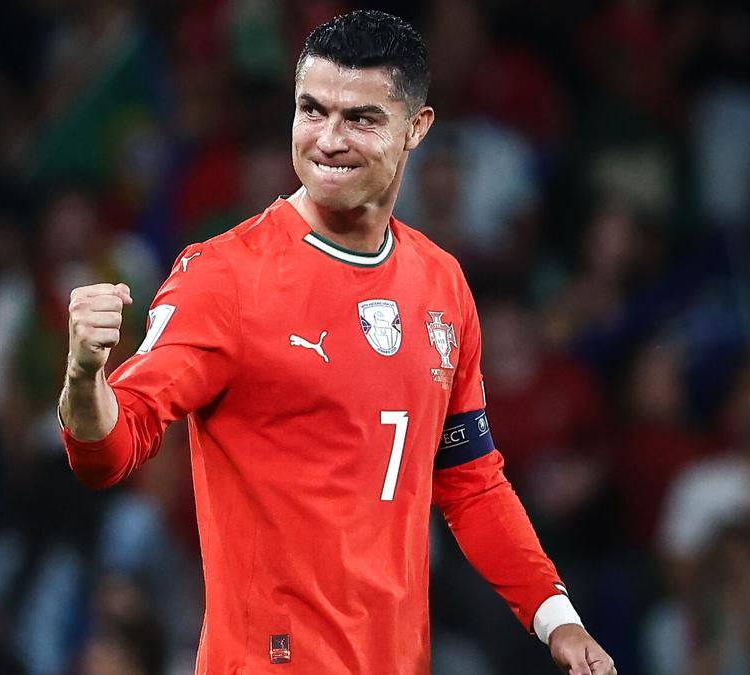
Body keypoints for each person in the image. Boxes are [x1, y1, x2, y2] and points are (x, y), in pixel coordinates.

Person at [58, 11, 616, 675]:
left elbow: (470, 481)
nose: (327, 139)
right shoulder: (225, 276)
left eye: (360, 118)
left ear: (417, 129)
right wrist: (84, 380)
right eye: (311, 110)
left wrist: (557, 618)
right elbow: (112, 451)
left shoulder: (441, 284)